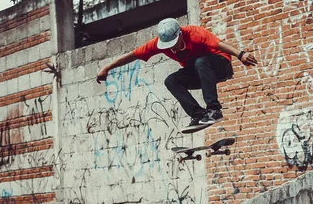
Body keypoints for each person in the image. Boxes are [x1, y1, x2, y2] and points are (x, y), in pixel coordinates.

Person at [96, 18, 258, 132]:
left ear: (180, 34)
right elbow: (134, 55)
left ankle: (214, 110)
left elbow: (219, 44)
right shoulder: (158, 44)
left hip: (220, 65)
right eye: (168, 46)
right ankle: (199, 114)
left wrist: (240, 54)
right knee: (171, 80)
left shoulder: (195, 33)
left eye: (174, 44)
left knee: (200, 62)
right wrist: (108, 67)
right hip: (200, 73)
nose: (172, 49)